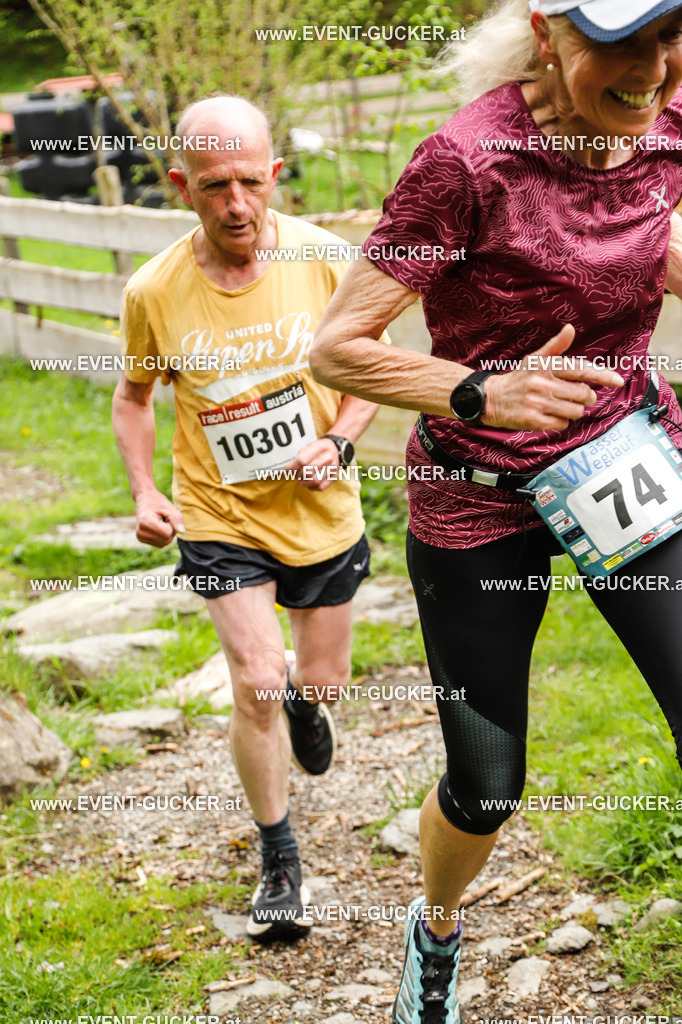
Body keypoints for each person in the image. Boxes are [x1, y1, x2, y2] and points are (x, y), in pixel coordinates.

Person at [310, 1, 682, 1020]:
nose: (651, 65)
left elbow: (644, 237)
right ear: (546, 33)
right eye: (620, 39)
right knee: (487, 783)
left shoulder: (667, 112)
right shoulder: (469, 163)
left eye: (671, 32)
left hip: (624, 465)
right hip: (479, 500)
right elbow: (336, 349)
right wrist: (479, 391)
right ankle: (434, 926)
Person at [112, 95, 381, 941]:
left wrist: (338, 442)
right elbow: (134, 397)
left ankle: (311, 699)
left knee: (317, 680)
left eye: (251, 183)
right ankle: (279, 854)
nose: (237, 205)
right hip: (220, 513)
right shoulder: (155, 289)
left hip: (319, 511)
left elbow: (370, 374)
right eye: (216, 186)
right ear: (181, 185)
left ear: (273, 174)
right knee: (258, 680)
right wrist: (145, 491)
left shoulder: (325, 260)